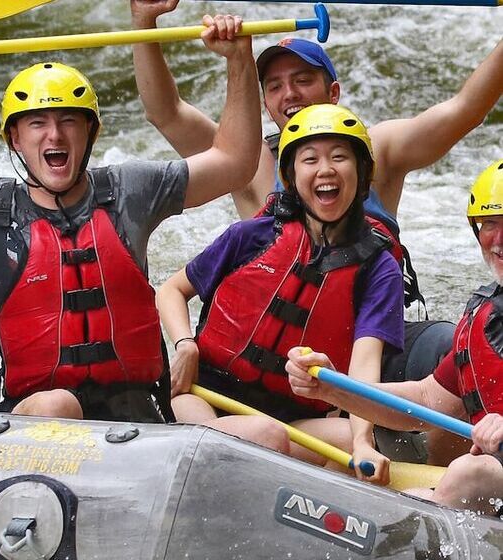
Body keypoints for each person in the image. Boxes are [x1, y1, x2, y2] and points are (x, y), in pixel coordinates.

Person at [0, 18, 288, 444]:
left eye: (69, 121)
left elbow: (234, 162)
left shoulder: (129, 192)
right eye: (37, 123)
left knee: (264, 434)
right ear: (15, 139)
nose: (54, 135)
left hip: (139, 429)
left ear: (90, 132)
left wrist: (237, 59)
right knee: (59, 406)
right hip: (36, 422)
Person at [130, 0, 502, 388]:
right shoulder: (244, 161)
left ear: (333, 91)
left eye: (303, 80)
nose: (289, 93)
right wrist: (144, 19)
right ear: (265, 103)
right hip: (284, 355)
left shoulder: (379, 149)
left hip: (370, 340)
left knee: (455, 345)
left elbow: (464, 109)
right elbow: (166, 113)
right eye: (275, 86)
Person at [156, 104, 405, 483]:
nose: (326, 169)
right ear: (289, 176)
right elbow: (172, 290)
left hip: (289, 416)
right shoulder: (252, 236)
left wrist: (363, 439)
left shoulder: (379, 269)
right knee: (264, 435)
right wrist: (185, 344)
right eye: (310, 159)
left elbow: (364, 367)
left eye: (340, 157)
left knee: (345, 441)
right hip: (202, 396)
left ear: (362, 174)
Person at [287, 159, 503, 513]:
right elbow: (427, 399)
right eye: (490, 224)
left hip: (485, 474)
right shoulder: (482, 318)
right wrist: (333, 388)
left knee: (469, 473)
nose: (498, 239)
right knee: (410, 498)